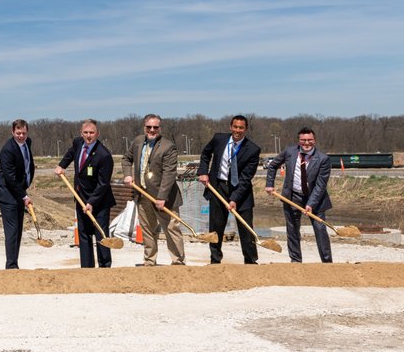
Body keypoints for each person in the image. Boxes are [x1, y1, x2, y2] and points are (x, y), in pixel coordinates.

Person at [197, 115, 262, 265]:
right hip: (218, 187)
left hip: (241, 192)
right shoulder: (219, 139)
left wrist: (234, 199)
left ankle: (251, 262)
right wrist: (203, 172)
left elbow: (246, 178)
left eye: (241, 128)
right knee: (216, 228)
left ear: (245, 129)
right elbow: (205, 154)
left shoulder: (253, 149)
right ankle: (215, 261)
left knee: (246, 230)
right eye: (235, 127)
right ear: (230, 127)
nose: (237, 130)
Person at [123, 114, 186, 266]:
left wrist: (162, 197)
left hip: (165, 198)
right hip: (143, 195)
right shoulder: (138, 142)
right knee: (148, 230)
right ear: (144, 127)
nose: (152, 130)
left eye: (155, 127)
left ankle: (178, 261)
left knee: (172, 228)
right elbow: (126, 158)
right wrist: (127, 175)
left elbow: (169, 173)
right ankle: (150, 260)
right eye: (149, 127)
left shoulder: (168, 146)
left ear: (160, 128)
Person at [55, 119, 116, 268]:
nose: (88, 136)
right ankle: (87, 267)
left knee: (101, 234)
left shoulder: (104, 155)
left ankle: (104, 266)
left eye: (92, 133)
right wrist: (61, 166)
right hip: (81, 197)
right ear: (81, 133)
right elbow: (70, 154)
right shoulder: (78, 143)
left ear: (97, 133)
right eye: (86, 132)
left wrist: (91, 203)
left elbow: (103, 184)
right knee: (84, 234)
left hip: (99, 201)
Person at [265, 127, 333, 263]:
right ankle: (295, 261)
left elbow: (320, 186)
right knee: (292, 230)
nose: (306, 143)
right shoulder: (290, 152)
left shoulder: (323, 159)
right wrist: (270, 184)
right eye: (303, 140)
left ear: (315, 140)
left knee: (320, 229)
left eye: (309, 140)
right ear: (299, 141)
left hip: (315, 199)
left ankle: (327, 262)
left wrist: (310, 204)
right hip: (292, 197)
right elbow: (273, 166)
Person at [0, 119, 35, 270]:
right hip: (6, 193)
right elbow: (10, 178)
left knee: (18, 229)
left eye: (23, 133)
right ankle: (11, 265)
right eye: (18, 133)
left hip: (18, 191)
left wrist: (24, 190)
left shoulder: (27, 143)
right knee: (12, 230)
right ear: (12, 132)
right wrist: (24, 196)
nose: (21, 136)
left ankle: (14, 262)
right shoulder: (8, 150)